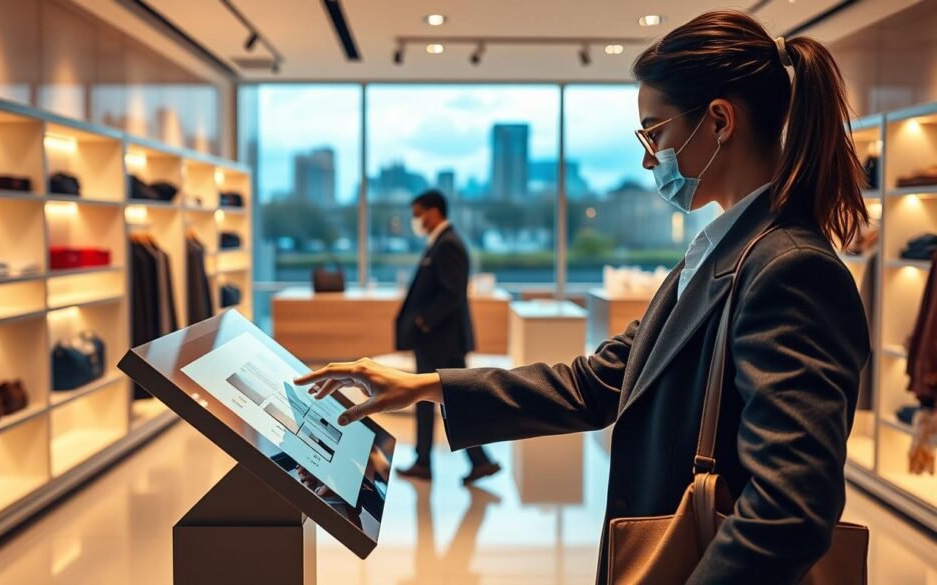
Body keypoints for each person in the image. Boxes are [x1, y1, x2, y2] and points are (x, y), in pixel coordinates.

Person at [297, 9, 870, 584]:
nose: (649, 158)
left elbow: (790, 511)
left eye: (656, 132)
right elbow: (597, 382)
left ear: (720, 121)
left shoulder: (789, 270)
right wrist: (425, 387)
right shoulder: (723, 253)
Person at [393, 190, 501, 484]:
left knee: (449, 401)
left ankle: (454, 461)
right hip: (436, 341)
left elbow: (451, 294)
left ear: (434, 211)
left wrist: (423, 321)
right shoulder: (440, 243)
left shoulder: (448, 245)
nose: (416, 220)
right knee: (440, 401)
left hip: (442, 341)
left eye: (418, 213)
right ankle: (436, 460)